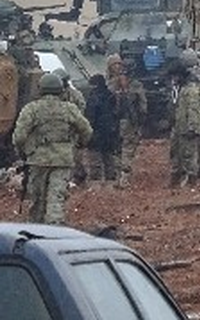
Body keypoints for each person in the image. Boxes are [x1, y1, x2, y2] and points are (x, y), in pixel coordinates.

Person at [13, 74, 92, 224]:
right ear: (61, 90)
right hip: (63, 159)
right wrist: (79, 144)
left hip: (37, 159)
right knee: (57, 197)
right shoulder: (69, 108)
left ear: (40, 89)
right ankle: (54, 229)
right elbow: (86, 130)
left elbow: (19, 136)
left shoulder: (31, 109)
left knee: (37, 199)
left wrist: (22, 152)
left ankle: (36, 230)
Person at [169, 50, 200, 189]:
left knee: (189, 154)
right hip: (181, 124)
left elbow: (193, 109)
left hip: (188, 126)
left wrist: (192, 127)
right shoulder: (185, 86)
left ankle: (191, 179)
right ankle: (177, 177)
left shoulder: (191, 88)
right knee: (176, 151)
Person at [108, 55, 146, 189]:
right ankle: (124, 178)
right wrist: (140, 123)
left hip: (114, 121)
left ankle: (117, 177)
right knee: (128, 149)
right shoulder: (136, 85)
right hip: (130, 121)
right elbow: (142, 107)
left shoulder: (112, 84)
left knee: (117, 149)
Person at [83, 74, 121, 184]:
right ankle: (111, 182)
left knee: (95, 161)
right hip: (110, 132)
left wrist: (86, 134)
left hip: (96, 132)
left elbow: (90, 116)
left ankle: (96, 184)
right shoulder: (110, 95)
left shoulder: (93, 97)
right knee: (109, 159)